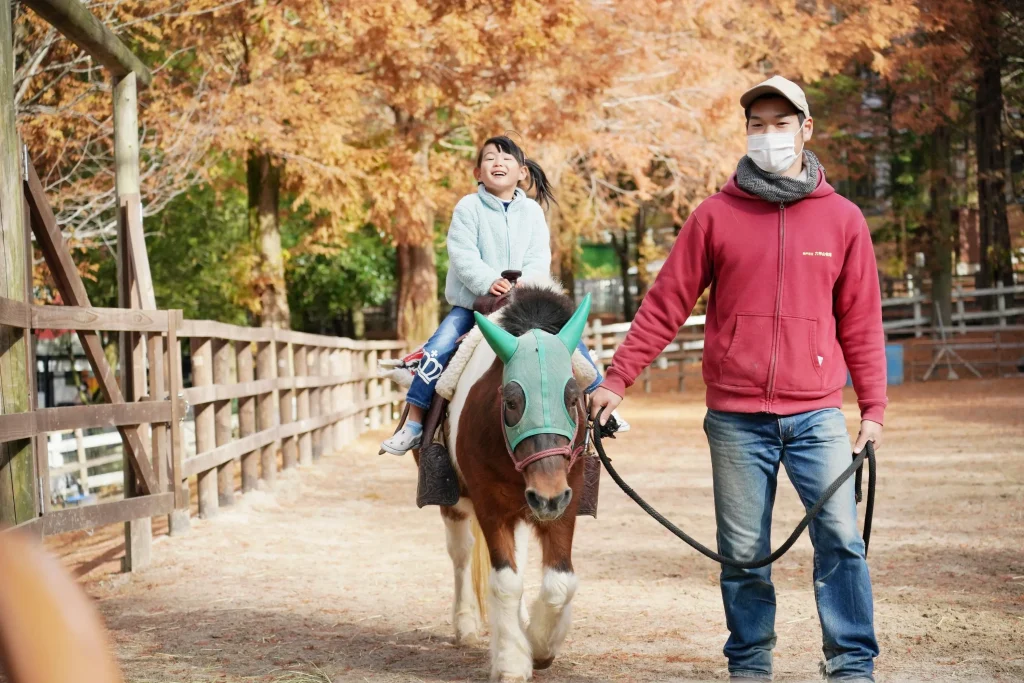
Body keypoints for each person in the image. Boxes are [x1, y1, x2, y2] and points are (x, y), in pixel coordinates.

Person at [589, 75, 885, 681]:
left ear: (806, 130)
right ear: (746, 132)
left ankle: (853, 665)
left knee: (842, 544)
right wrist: (617, 379)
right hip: (735, 421)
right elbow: (665, 304)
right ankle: (750, 665)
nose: (769, 136)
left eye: (782, 124)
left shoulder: (844, 220)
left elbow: (861, 321)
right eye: (758, 125)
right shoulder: (714, 216)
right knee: (745, 555)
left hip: (818, 414)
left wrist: (873, 411)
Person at [382, 136, 622, 456]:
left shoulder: (533, 212)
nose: (498, 163)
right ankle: (414, 422)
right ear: (477, 172)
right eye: (490, 158)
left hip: (524, 303)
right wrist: (487, 281)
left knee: (571, 343)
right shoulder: (468, 208)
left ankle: (599, 406)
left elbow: (539, 257)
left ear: (522, 172)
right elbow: (462, 254)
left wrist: (528, 282)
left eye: (507, 158)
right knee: (439, 347)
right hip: (475, 304)